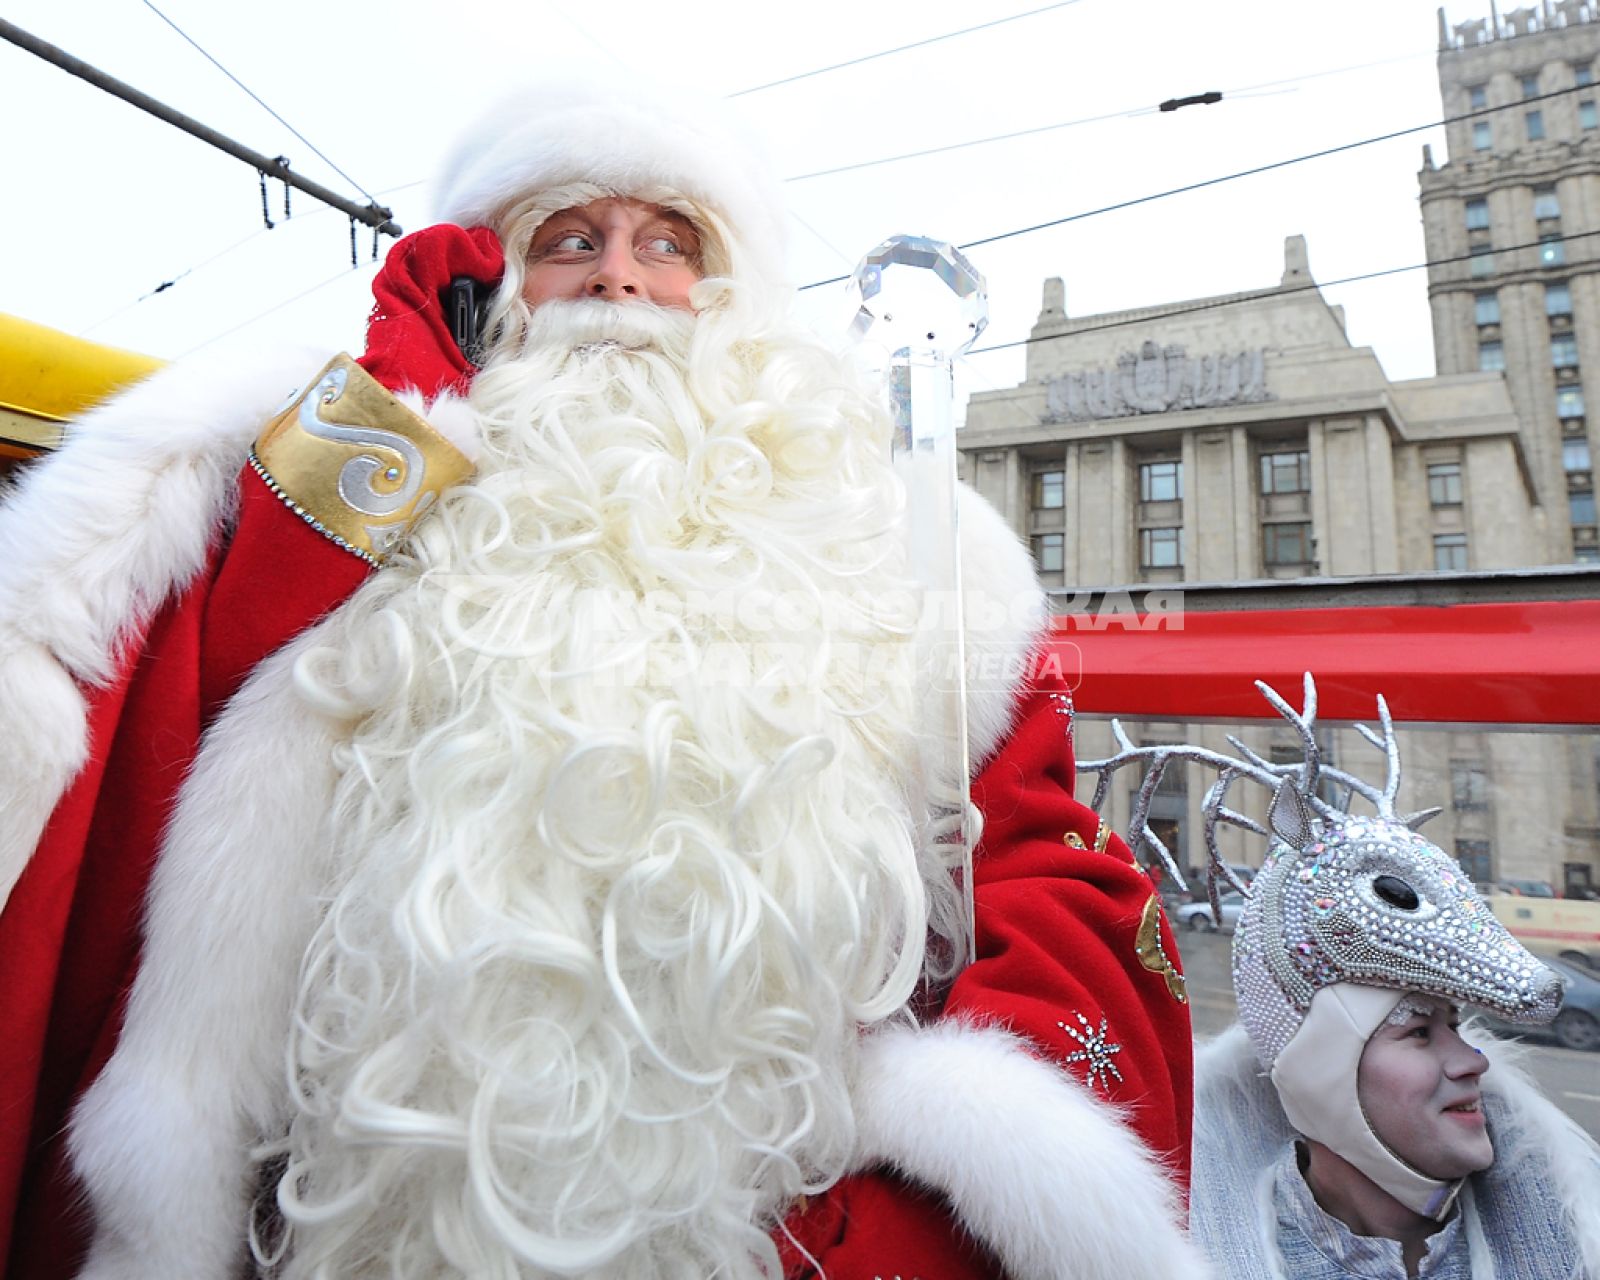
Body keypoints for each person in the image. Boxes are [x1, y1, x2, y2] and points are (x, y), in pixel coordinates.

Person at [0, 82, 1207, 1278]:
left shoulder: (906, 551)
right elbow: (186, 680)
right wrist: (387, 414)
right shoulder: (385, 475)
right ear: (487, 280)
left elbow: (1045, 879)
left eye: (668, 243)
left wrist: (913, 1217)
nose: (620, 279)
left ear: (731, 294)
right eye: (567, 241)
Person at [1185, 735, 1600, 1278]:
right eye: (1420, 1033)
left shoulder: (1576, 1228)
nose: (1474, 1061)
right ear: (1321, 1073)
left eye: (1455, 1023)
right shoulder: (1182, 1252)